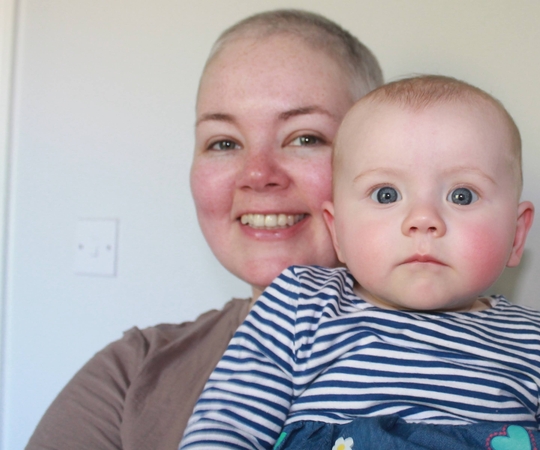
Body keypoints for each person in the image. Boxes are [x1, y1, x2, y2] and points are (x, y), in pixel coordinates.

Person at [180, 76, 540, 450]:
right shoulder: (299, 306)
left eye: (462, 195)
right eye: (386, 194)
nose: (423, 219)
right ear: (338, 231)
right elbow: (227, 423)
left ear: (516, 234)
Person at [25, 10, 383, 450]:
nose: (257, 174)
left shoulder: (467, 354)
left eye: (305, 137)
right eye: (224, 142)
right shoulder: (130, 374)